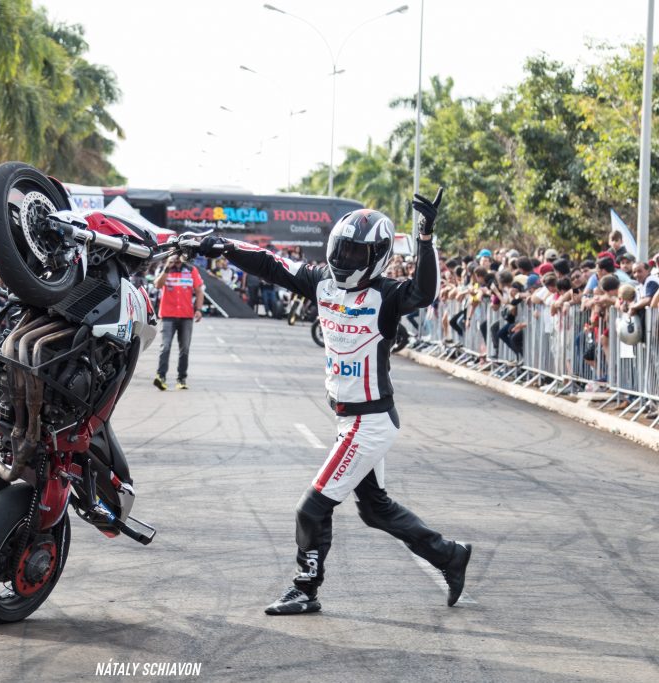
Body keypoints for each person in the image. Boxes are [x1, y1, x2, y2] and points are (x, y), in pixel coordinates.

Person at [197, 189, 472, 615]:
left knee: (311, 508)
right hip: (351, 420)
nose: (344, 259)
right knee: (375, 511)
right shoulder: (321, 282)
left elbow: (425, 291)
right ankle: (449, 555)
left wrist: (425, 235)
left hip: (370, 421)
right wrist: (224, 246)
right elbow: (271, 265)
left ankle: (305, 589)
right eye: (340, 249)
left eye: (355, 252)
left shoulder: (387, 296)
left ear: (377, 256)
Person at [152, 254, 204, 391]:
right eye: (174, 255)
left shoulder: (191, 270)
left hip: (186, 315)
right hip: (168, 315)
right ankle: (160, 376)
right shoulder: (163, 269)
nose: (176, 258)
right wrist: (167, 268)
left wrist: (198, 309)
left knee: (184, 348)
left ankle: (181, 379)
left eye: (179, 255)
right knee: (166, 346)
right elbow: (157, 285)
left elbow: (199, 291)